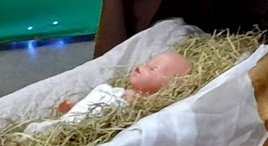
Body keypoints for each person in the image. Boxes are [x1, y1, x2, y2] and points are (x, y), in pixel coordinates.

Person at [32, 50, 193, 132]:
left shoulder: (141, 104)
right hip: (65, 124)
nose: (141, 67)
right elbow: (92, 105)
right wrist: (73, 107)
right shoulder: (118, 90)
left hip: (73, 131)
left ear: (169, 87)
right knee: (39, 130)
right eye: (147, 63)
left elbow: (103, 119)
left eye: (152, 69)